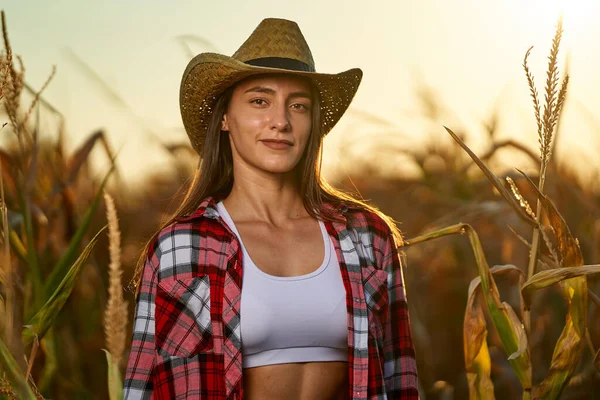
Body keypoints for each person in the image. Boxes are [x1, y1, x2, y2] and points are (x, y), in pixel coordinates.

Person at [123, 17, 419, 400]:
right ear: (226, 118)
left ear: (312, 123)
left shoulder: (367, 236)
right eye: (260, 101)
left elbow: (401, 376)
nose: (280, 122)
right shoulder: (180, 247)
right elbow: (141, 385)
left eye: (298, 105)